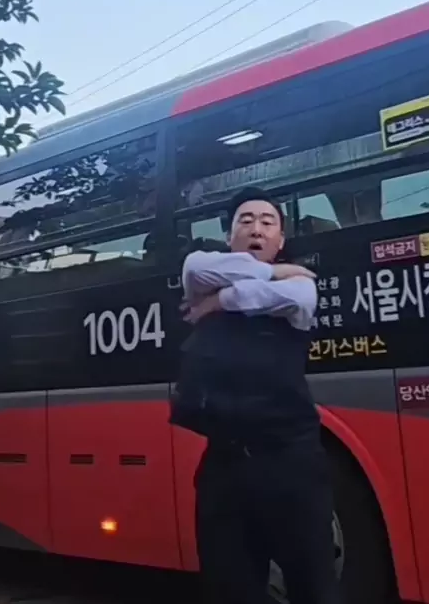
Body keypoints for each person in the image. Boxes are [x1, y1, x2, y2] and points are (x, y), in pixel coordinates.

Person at [170, 187, 341, 604]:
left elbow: (287, 294)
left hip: (291, 463)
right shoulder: (206, 271)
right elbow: (194, 267)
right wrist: (274, 272)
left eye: (268, 222)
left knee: (313, 586)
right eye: (245, 221)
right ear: (229, 237)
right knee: (230, 587)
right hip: (224, 467)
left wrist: (220, 300)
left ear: (280, 240)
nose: (256, 229)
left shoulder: (300, 288)